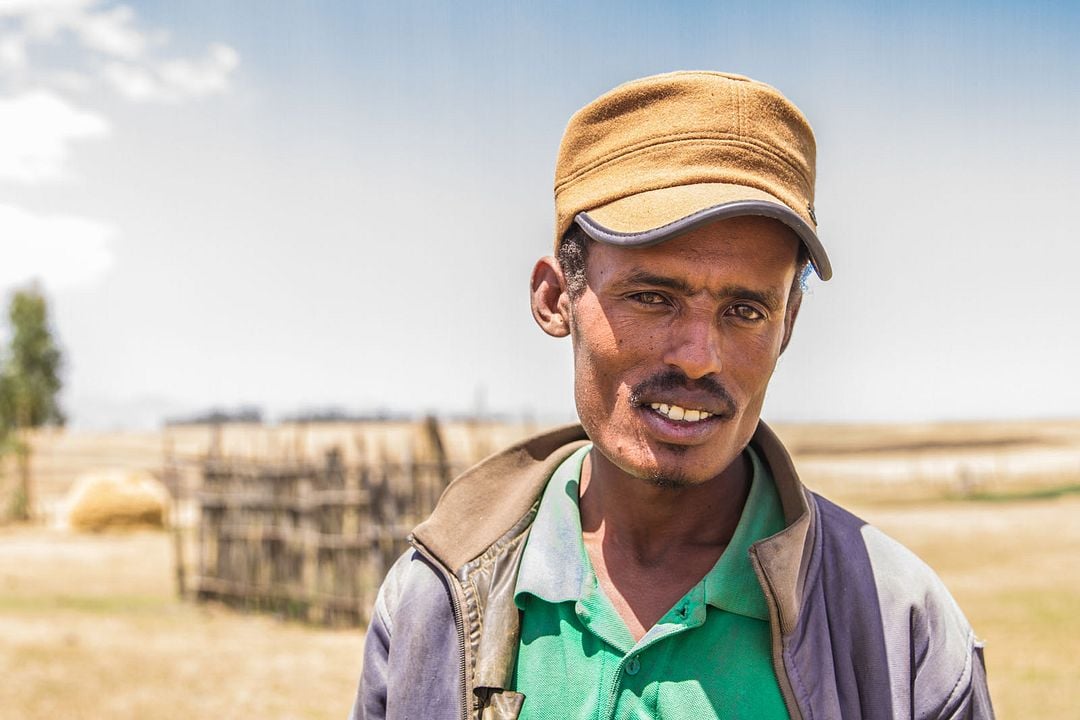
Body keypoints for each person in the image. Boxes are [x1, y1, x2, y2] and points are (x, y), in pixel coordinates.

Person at [350, 71, 995, 720]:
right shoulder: (436, 599)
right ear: (556, 298)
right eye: (653, 297)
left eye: (745, 310)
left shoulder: (898, 631)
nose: (697, 356)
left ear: (788, 323)